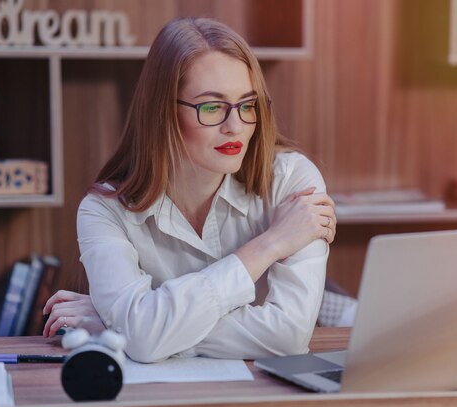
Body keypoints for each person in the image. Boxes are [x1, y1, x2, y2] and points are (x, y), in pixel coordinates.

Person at [41, 17, 337, 363]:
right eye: (212, 107)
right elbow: (140, 336)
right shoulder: (103, 210)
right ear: (163, 111)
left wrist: (128, 326)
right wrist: (270, 244)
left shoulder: (292, 181)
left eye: (247, 105)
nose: (235, 127)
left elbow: (288, 337)